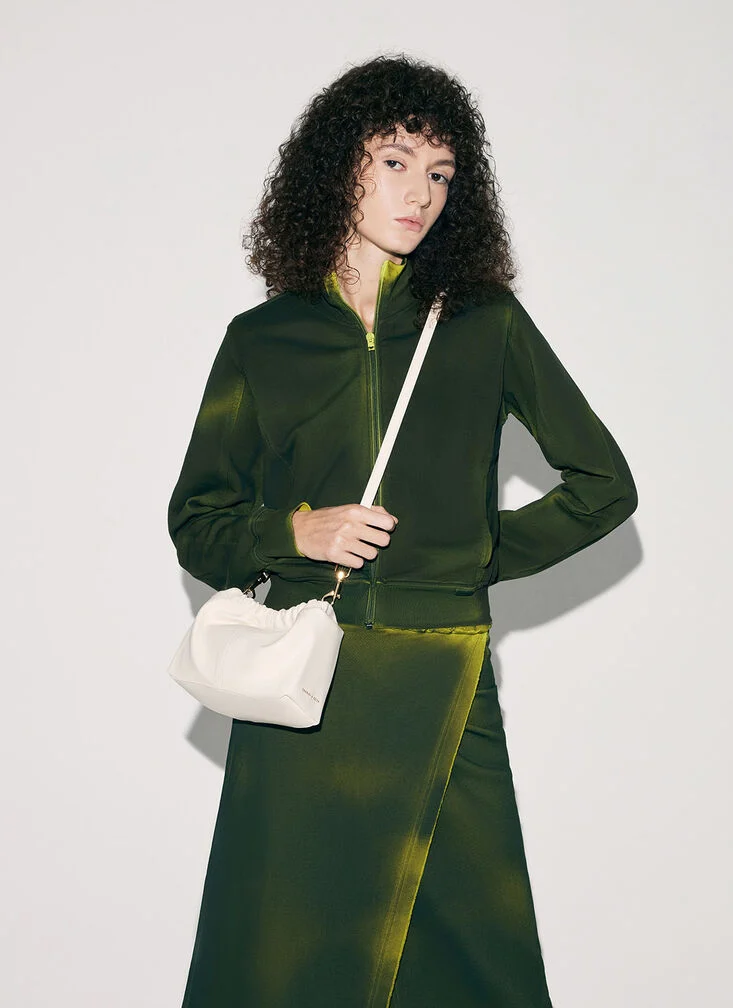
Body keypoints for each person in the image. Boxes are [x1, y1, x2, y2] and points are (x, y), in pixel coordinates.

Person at [167, 53, 638, 1008]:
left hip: (441, 669)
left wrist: (469, 557)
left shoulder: (485, 325)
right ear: (339, 167)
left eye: (440, 174)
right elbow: (198, 522)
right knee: (283, 960)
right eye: (394, 163)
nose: (419, 194)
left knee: (474, 962)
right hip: (309, 686)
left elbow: (604, 486)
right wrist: (295, 534)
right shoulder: (264, 339)